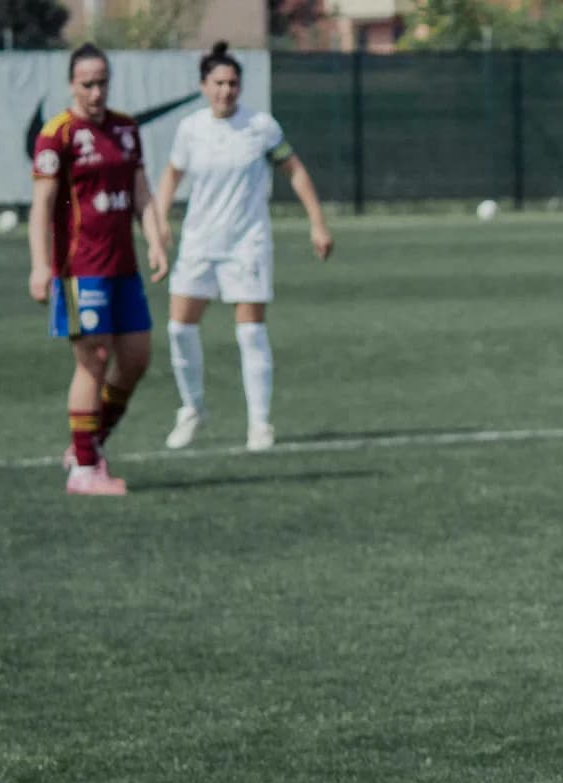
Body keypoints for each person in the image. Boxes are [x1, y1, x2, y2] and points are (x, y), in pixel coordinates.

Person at [154, 42, 334, 453]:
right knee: (179, 328)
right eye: (218, 83)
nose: (226, 91)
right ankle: (193, 409)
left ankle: (259, 424)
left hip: (246, 246)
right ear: (203, 86)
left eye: (233, 83)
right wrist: (160, 221)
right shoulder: (191, 129)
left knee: (251, 332)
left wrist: (317, 224)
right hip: (199, 243)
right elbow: (171, 176)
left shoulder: (261, 127)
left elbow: (296, 171)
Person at [29, 42, 170, 497]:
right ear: (72, 84)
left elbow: (142, 192)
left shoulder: (126, 129)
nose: (96, 91)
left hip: (123, 268)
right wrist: (39, 265)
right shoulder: (58, 133)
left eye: (102, 82)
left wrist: (156, 240)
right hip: (78, 270)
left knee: (136, 359)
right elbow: (42, 206)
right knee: (93, 361)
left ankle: (87, 443)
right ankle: (85, 470)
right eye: (87, 84)